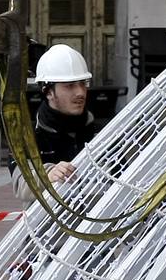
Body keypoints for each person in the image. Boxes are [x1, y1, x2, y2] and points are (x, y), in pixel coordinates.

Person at [10, 44, 100, 203]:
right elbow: (22, 186)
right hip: (48, 225)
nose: (80, 92)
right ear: (48, 92)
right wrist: (49, 174)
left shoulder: (100, 132)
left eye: (82, 83)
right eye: (70, 86)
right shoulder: (27, 137)